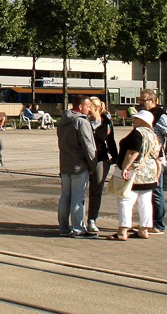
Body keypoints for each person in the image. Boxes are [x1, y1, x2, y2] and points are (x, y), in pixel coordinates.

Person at [108, 110, 161, 241]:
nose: (134, 121)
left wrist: (125, 167)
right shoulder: (154, 136)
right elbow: (158, 157)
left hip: (134, 173)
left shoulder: (138, 133)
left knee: (125, 200)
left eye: (136, 119)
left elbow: (133, 152)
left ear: (142, 121)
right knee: (145, 202)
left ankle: (123, 231)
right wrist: (157, 174)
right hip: (149, 174)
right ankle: (144, 229)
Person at [56, 95, 97, 238]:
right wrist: (93, 164)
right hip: (79, 165)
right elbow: (88, 145)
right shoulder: (81, 121)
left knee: (65, 196)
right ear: (80, 107)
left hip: (65, 164)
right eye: (88, 107)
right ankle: (78, 229)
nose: (90, 110)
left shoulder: (63, 121)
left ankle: (63, 227)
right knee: (78, 197)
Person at [140, 90, 167, 235]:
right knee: (147, 191)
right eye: (140, 100)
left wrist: (164, 153)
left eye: (144, 100)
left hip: (156, 159)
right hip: (145, 158)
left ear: (153, 101)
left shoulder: (160, 116)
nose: (141, 103)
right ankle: (147, 223)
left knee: (156, 191)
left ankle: (158, 225)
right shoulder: (145, 115)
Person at [86, 96, 119, 234]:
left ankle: (92, 219)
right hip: (83, 160)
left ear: (97, 108)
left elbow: (110, 141)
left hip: (100, 159)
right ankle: (78, 220)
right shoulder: (83, 121)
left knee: (96, 190)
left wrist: (115, 159)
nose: (87, 110)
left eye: (90, 107)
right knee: (79, 191)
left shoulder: (106, 123)